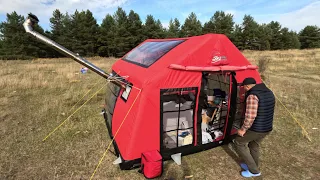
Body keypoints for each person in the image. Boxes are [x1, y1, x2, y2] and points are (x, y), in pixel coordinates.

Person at [234, 77, 275, 178]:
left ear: (247, 86)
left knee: (239, 142)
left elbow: (250, 116)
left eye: (244, 88)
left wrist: (243, 129)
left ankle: (254, 171)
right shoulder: (268, 91)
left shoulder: (252, 96)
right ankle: (252, 165)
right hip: (267, 127)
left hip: (257, 128)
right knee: (254, 145)